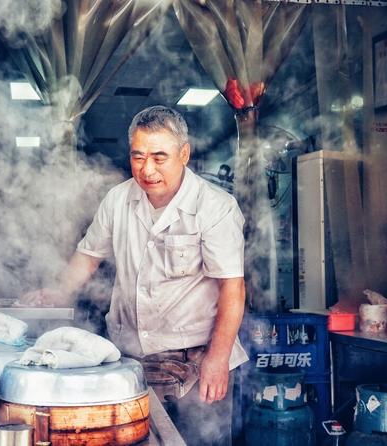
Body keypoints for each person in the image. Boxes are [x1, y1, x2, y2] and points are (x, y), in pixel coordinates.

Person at [22, 105, 248, 445]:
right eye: (138, 157)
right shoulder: (118, 199)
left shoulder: (215, 207)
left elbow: (232, 287)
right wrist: (58, 292)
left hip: (196, 362)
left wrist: (217, 358)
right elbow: (88, 255)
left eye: (160, 157)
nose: (147, 169)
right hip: (132, 360)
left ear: (183, 154)